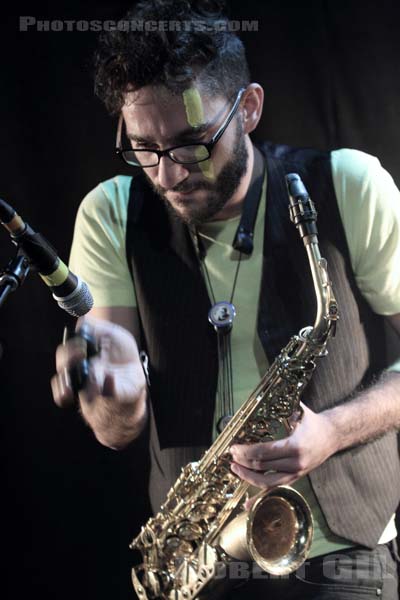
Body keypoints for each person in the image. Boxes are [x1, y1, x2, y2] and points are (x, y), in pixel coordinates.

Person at [51, 1, 400, 598]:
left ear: (251, 107)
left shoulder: (349, 185)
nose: (167, 175)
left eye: (191, 144)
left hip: (344, 552)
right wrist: (118, 397)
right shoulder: (110, 212)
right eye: (143, 149)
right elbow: (116, 430)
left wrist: (333, 432)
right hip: (196, 563)